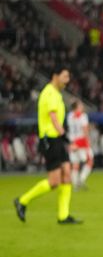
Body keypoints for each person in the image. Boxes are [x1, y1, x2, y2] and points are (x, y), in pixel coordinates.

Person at [13, 67, 82, 224]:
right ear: (55, 76)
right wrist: (67, 140)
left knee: (67, 174)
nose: (67, 80)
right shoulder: (49, 93)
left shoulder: (56, 93)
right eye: (65, 76)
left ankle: (63, 216)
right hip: (49, 140)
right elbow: (53, 118)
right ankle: (22, 200)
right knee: (54, 181)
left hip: (57, 139)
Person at [67, 100, 95, 190]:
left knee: (75, 163)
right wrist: (87, 141)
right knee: (90, 160)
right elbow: (85, 129)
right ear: (77, 107)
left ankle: (75, 185)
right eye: (81, 106)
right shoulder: (83, 116)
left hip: (72, 142)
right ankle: (81, 179)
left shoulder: (69, 116)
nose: (82, 107)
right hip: (81, 141)